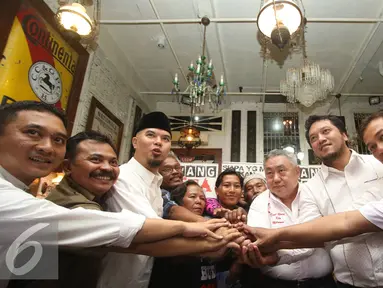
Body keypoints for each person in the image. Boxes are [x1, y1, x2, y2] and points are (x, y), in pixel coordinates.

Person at [0, 102, 233, 285]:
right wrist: (208, 233)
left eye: (58, 139)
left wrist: (208, 225)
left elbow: (168, 209)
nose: (46, 147)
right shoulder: (115, 182)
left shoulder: (155, 184)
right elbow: (132, 237)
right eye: (32, 132)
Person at [98, 112, 242, 288]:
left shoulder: (156, 187)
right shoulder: (123, 178)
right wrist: (212, 236)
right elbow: (148, 234)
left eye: (165, 138)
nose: (158, 141)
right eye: (150, 135)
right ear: (135, 141)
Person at [242, 115, 383, 288]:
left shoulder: (379, 164)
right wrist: (278, 256)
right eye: (313, 138)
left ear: (344, 135)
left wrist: (276, 235)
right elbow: (312, 235)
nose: (321, 139)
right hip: (349, 283)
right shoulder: (311, 188)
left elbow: (348, 222)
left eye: (326, 131)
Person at [246, 149, 335, 288]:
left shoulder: (314, 194)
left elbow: (313, 236)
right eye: (269, 173)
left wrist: (277, 250)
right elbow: (261, 245)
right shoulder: (259, 203)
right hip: (275, 284)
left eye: (281, 170)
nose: (275, 178)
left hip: (321, 283)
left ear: (297, 171)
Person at [150, 181, 222, 288]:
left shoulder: (213, 224)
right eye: (192, 196)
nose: (198, 201)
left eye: (202, 198)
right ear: (179, 201)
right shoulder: (171, 228)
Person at [160, 152, 206, 222]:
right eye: (167, 169)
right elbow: (171, 210)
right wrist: (209, 224)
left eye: (178, 168)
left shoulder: (185, 189)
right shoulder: (158, 194)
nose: (175, 172)